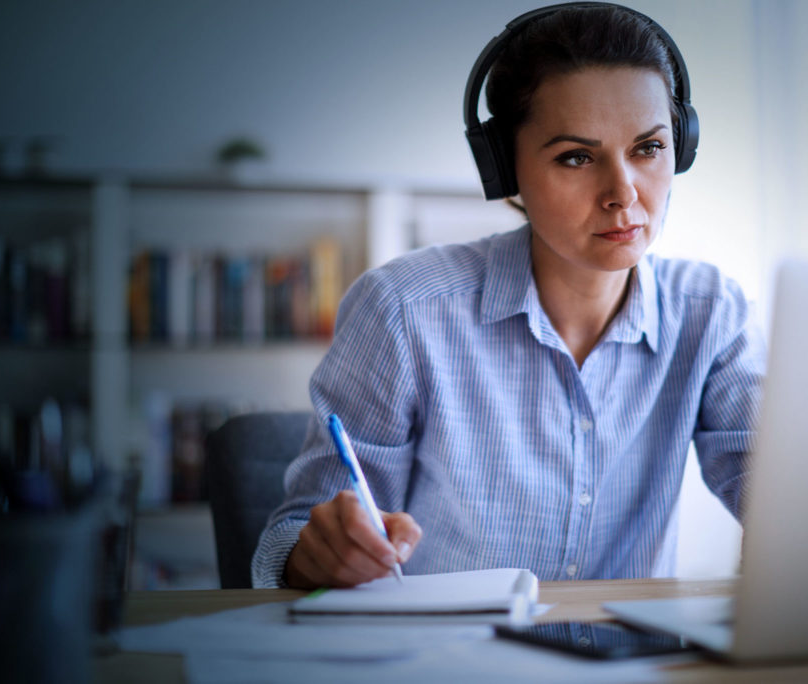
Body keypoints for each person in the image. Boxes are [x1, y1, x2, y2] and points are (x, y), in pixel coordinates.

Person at [252, 3, 765, 590]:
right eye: (577, 157)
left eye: (649, 148)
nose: (624, 195)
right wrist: (319, 553)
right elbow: (295, 535)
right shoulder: (404, 311)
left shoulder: (713, 314)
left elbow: (781, 494)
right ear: (504, 169)